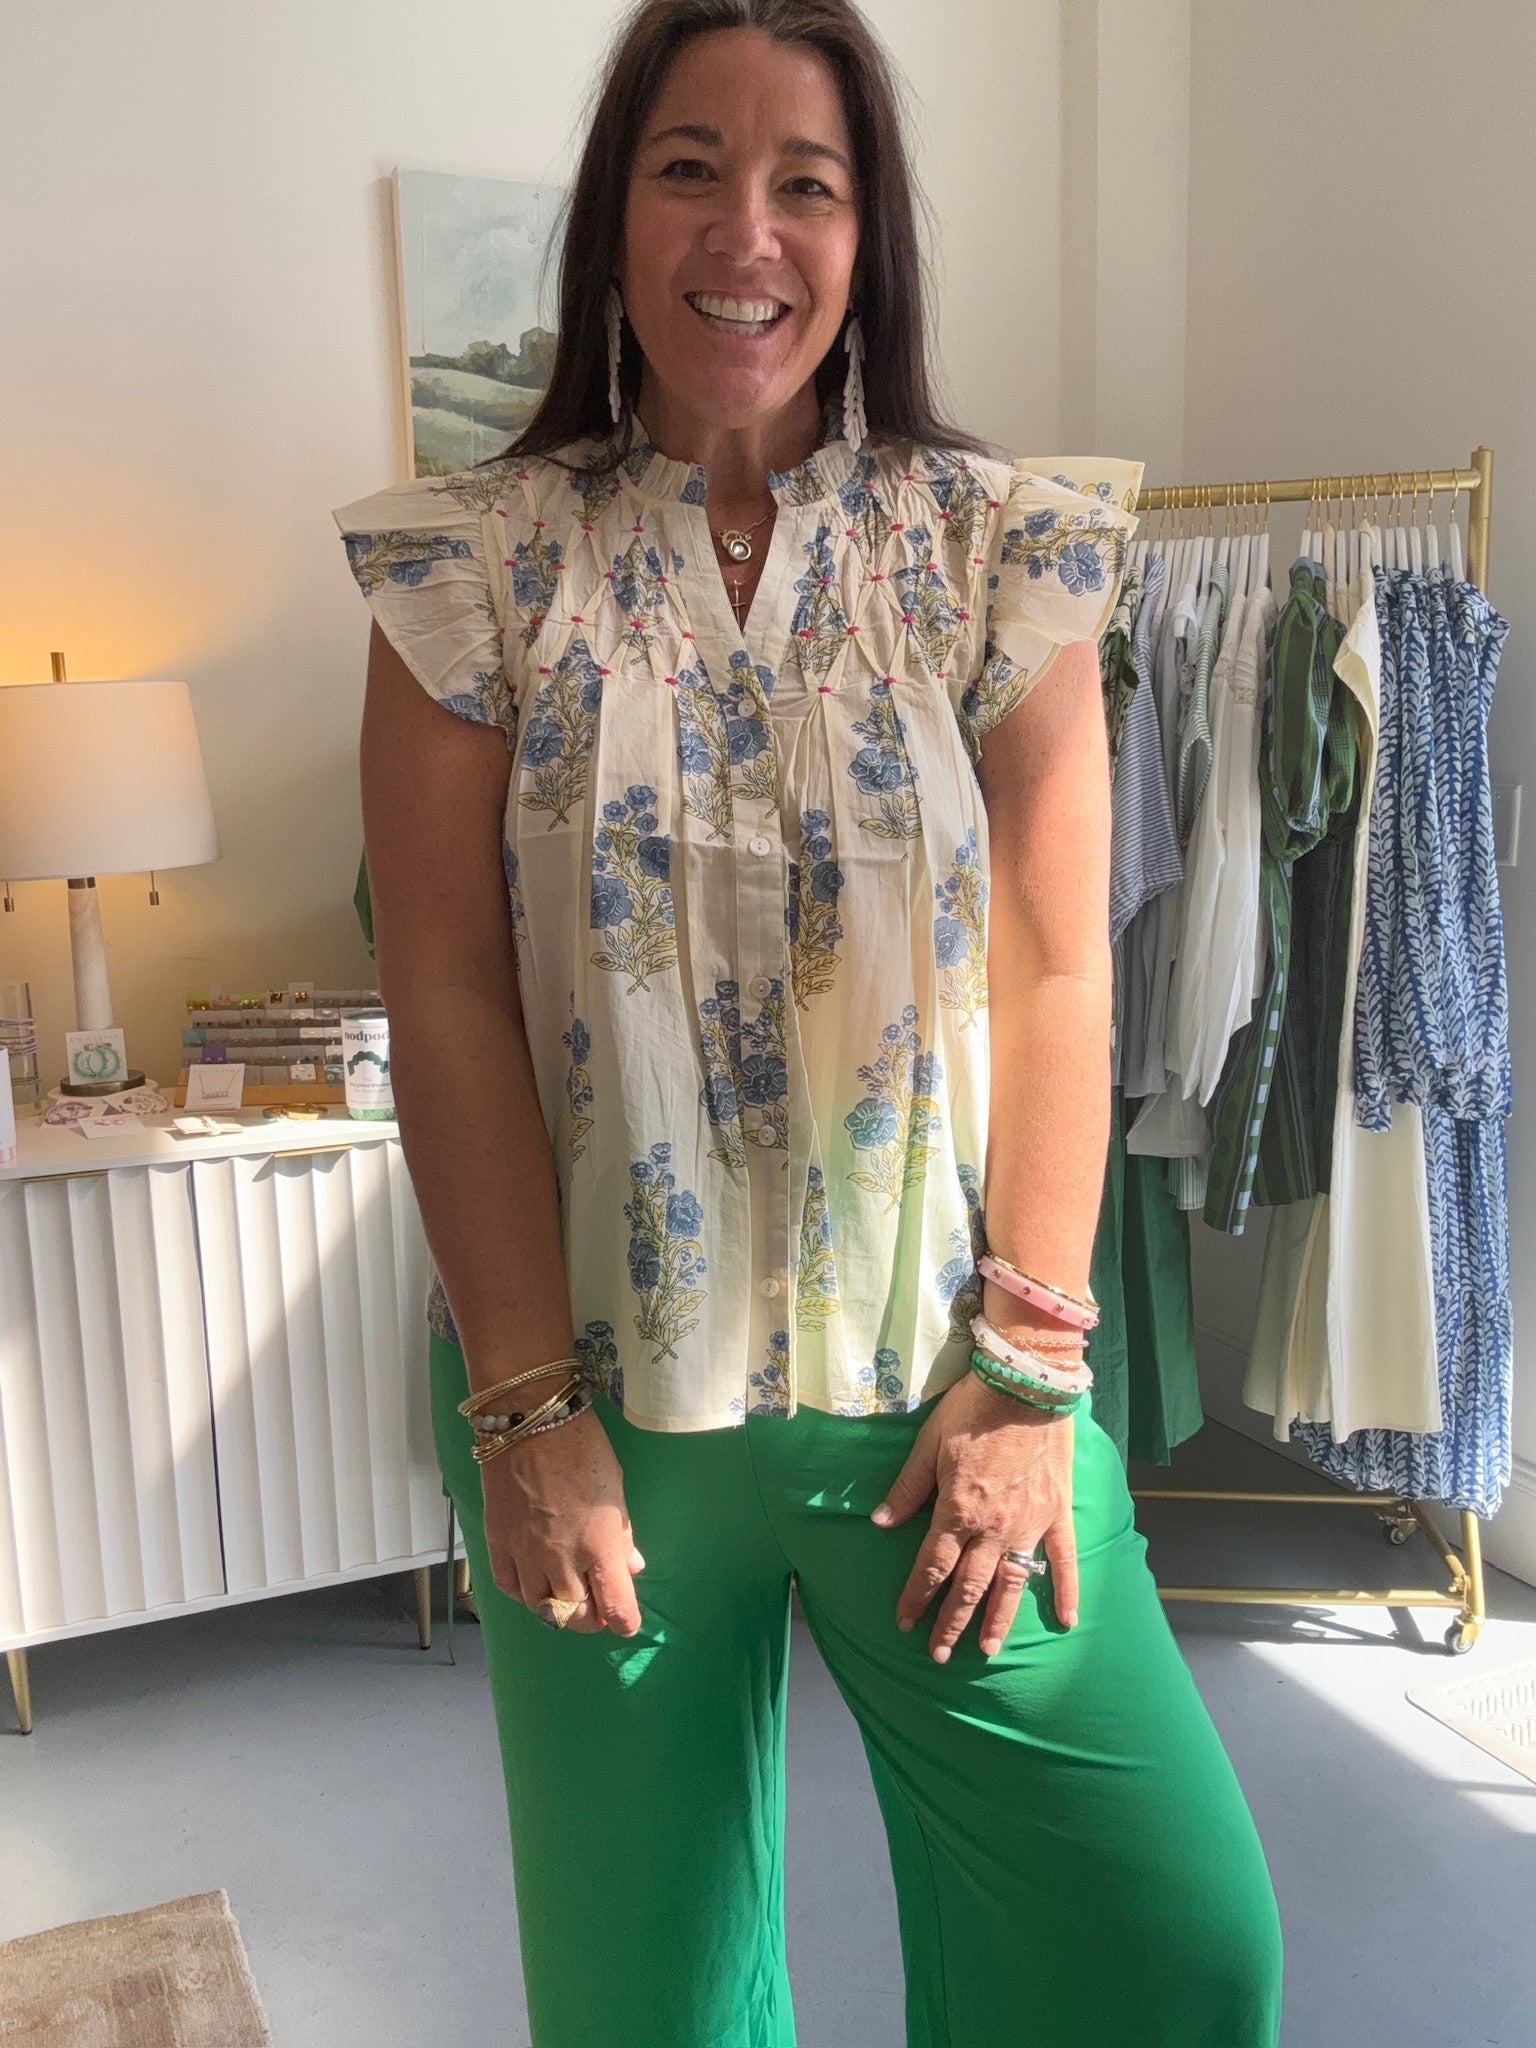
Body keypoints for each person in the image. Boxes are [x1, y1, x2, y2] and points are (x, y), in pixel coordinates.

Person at [334, 2, 1283, 2041]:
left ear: (868, 236)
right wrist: (523, 1412)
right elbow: (447, 994)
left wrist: (1030, 1374)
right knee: (648, 2007)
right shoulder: (469, 575)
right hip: (589, 1406)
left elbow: (1064, 966)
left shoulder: (997, 552)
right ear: (615, 217)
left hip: (945, 1394)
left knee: (1169, 1943)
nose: (744, 232)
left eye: (807, 181)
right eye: (690, 167)